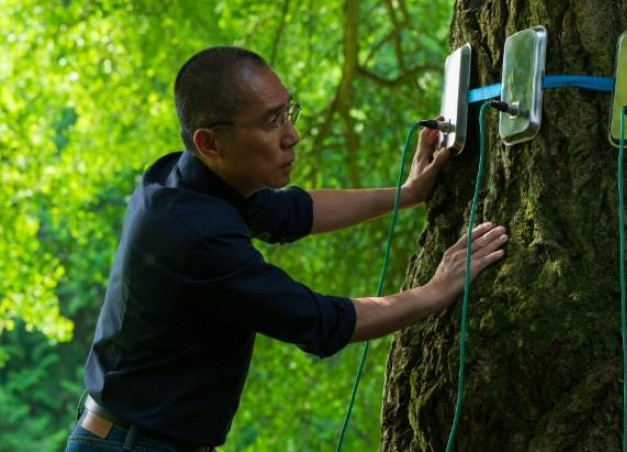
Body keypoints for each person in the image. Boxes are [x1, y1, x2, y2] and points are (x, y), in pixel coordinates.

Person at [64, 46, 507, 452]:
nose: (292, 135)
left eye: (287, 112)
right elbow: (317, 320)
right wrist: (436, 291)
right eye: (271, 121)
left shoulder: (188, 180)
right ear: (210, 143)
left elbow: (294, 212)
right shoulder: (195, 235)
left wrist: (405, 194)